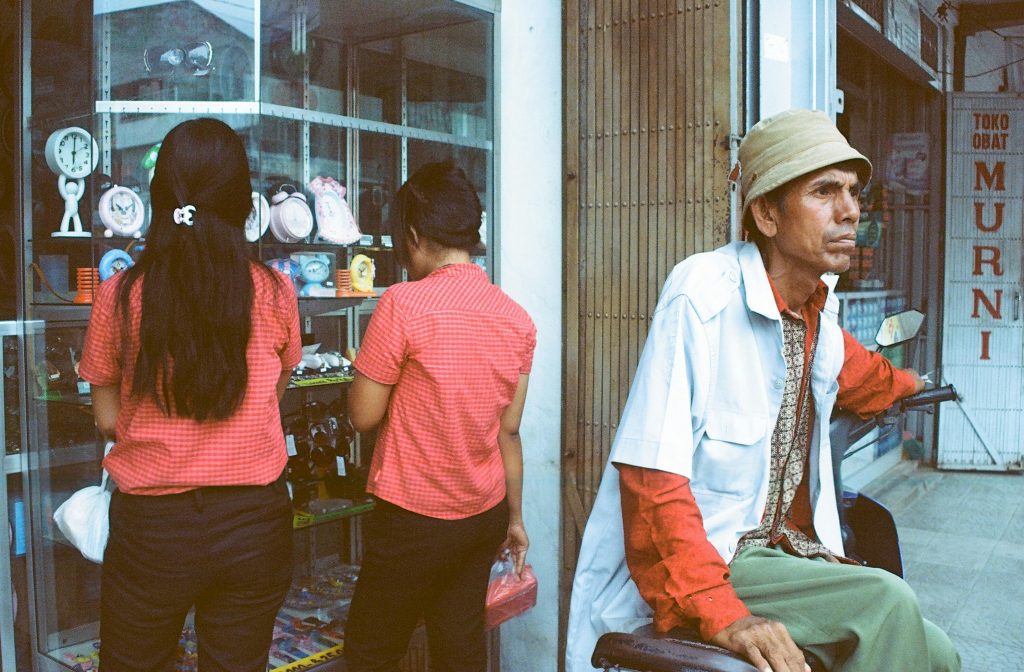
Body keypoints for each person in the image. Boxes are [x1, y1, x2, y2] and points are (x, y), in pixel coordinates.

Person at [565, 109, 961, 672]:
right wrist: (722, 613)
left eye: (851, 191)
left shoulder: (818, 316)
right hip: (714, 559)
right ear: (767, 213)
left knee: (938, 650)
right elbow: (652, 477)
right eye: (824, 191)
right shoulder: (703, 292)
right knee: (886, 599)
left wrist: (909, 384)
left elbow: (863, 374)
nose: (849, 209)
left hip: (784, 550)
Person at [79, 118, 301, 671]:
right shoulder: (276, 292)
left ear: (160, 200)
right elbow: (274, 393)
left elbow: (108, 418)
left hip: (154, 531)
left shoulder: (120, 294)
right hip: (254, 523)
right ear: (241, 204)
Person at [343, 162, 536, 672]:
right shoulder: (516, 318)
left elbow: (363, 415)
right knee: (460, 648)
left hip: (413, 518)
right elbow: (507, 431)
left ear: (412, 234)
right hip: (483, 515)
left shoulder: (403, 304)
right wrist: (515, 519)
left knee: (370, 653)